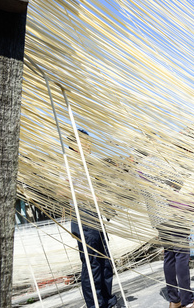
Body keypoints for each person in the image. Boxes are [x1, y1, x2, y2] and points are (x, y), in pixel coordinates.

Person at [135, 154, 194, 308]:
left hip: (157, 218)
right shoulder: (157, 160)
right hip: (173, 214)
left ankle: (174, 300)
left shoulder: (138, 169)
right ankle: (188, 302)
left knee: (169, 257)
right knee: (182, 257)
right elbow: (178, 182)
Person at [68, 128, 118, 308]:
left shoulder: (88, 165)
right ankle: (95, 304)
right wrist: (90, 197)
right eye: (84, 142)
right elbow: (61, 190)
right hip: (83, 216)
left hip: (96, 216)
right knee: (92, 266)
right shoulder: (69, 164)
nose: (89, 146)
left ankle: (108, 300)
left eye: (89, 143)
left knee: (105, 262)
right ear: (74, 145)